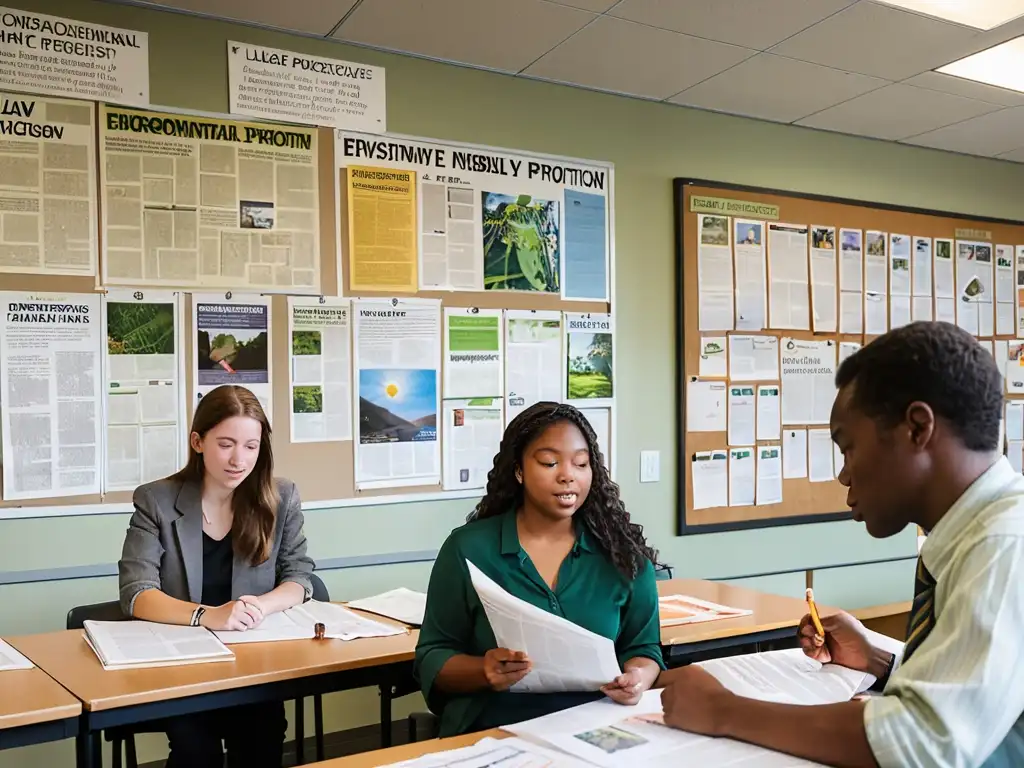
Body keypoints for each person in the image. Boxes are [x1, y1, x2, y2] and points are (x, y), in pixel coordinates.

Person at [660, 321, 1024, 767]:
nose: (843, 474)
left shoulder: (1004, 545)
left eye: (848, 447)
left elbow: (923, 743)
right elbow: (974, 684)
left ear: (916, 429)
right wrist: (876, 656)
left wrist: (723, 710)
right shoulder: (977, 533)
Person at [415, 402, 664, 737]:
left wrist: (638, 677)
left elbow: (644, 649)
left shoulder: (623, 555)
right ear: (518, 470)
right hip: (497, 727)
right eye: (549, 462)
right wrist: (483, 669)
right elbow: (433, 655)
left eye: (581, 463)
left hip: (596, 725)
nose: (567, 475)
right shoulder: (468, 549)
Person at [118, 385, 315, 768]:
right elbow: (136, 592)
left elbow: (300, 577)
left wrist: (262, 604)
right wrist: (207, 615)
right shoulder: (155, 501)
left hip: (254, 663)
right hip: (183, 666)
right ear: (198, 441)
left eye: (251, 446)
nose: (239, 459)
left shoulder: (281, 497)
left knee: (262, 742)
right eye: (226, 444)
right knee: (197, 752)